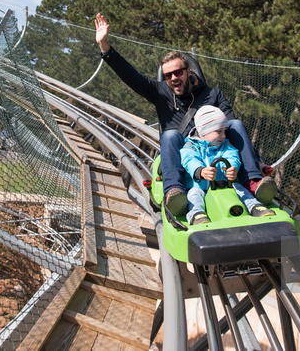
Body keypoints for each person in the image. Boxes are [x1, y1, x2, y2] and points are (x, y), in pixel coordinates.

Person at [94, 13, 276, 216]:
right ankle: (175, 191)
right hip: (185, 152)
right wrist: (105, 47)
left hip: (217, 151)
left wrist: (255, 159)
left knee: (235, 124)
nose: (174, 78)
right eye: (168, 75)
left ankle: (252, 182)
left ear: (189, 71)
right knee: (170, 134)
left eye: (178, 72)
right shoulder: (161, 93)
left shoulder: (212, 94)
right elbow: (131, 76)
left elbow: (230, 128)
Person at [181, 105, 275, 225]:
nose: (223, 136)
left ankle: (254, 205)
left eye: (224, 131)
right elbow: (189, 159)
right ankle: (196, 214)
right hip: (201, 186)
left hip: (225, 185)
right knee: (194, 195)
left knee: (239, 189)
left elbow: (232, 155)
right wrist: (201, 171)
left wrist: (232, 167)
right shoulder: (191, 146)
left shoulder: (225, 145)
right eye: (219, 131)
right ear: (204, 131)